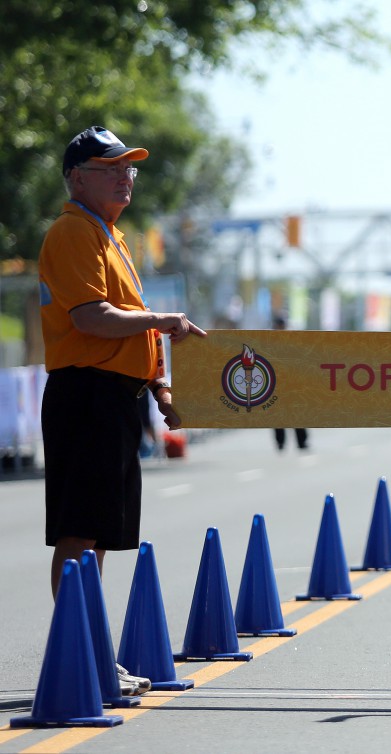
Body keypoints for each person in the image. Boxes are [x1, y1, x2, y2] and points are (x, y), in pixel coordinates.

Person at [38, 126, 207, 695]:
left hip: (114, 398)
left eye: (129, 167)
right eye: (111, 167)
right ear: (76, 176)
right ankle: (83, 656)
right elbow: (93, 318)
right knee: (80, 531)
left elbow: (128, 317)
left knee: (101, 533)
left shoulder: (109, 235)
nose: (125, 176)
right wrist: (162, 322)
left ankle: (89, 655)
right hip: (85, 393)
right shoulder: (73, 233)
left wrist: (160, 389)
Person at [271, 314, 309, 451]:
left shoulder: (292, 340)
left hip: (293, 383)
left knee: (297, 413)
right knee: (278, 415)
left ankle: (302, 442)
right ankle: (280, 442)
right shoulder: (270, 341)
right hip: (276, 383)